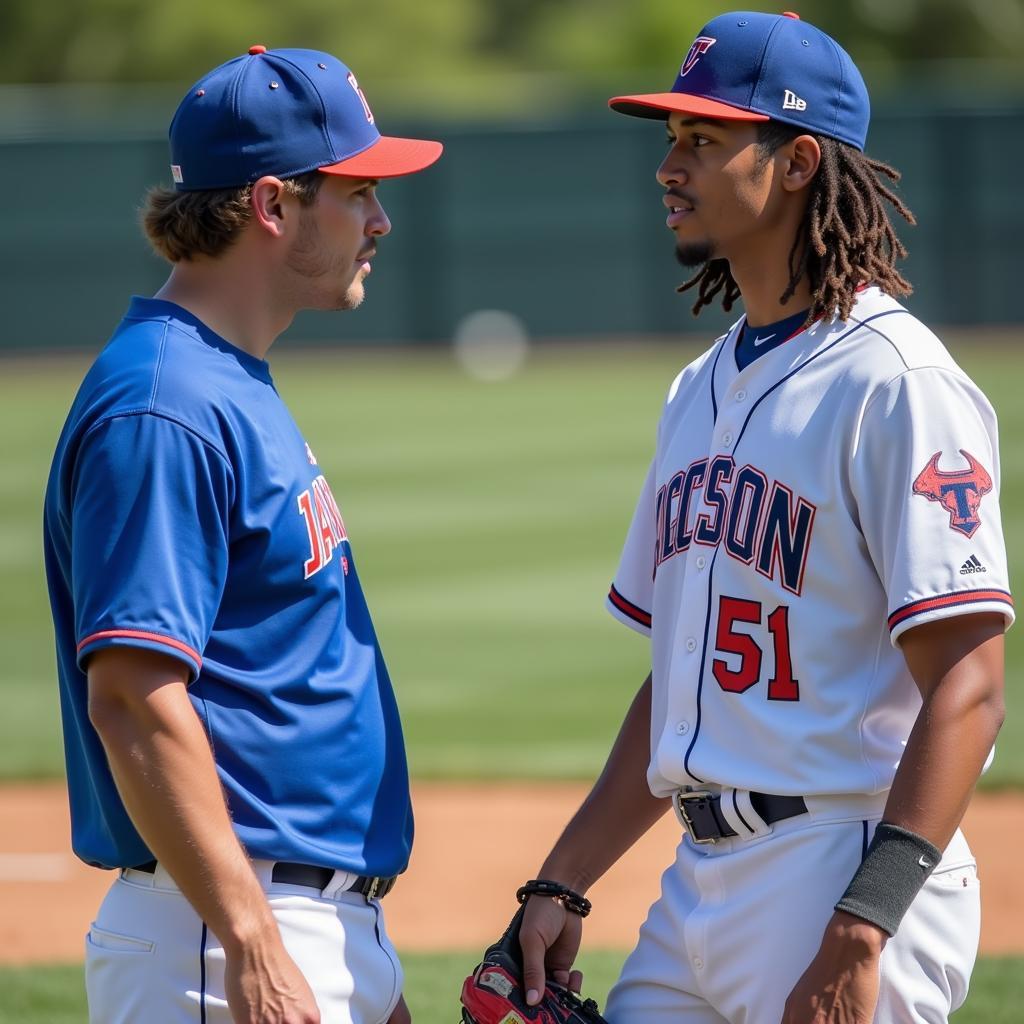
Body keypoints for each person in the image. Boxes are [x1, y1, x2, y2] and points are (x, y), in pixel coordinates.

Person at [512, 11, 1012, 1024]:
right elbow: (678, 683)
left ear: (797, 164)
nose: (670, 165)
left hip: (844, 863)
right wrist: (562, 877)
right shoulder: (698, 387)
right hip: (698, 877)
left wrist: (862, 925)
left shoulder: (896, 382)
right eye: (670, 139)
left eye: (703, 139)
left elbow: (968, 679)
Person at [43, 45, 442, 1024]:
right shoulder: (164, 403)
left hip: (281, 918)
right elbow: (133, 696)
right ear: (273, 205)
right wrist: (255, 944)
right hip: (223, 929)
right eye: (356, 191)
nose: (381, 218)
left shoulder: (219, 380)